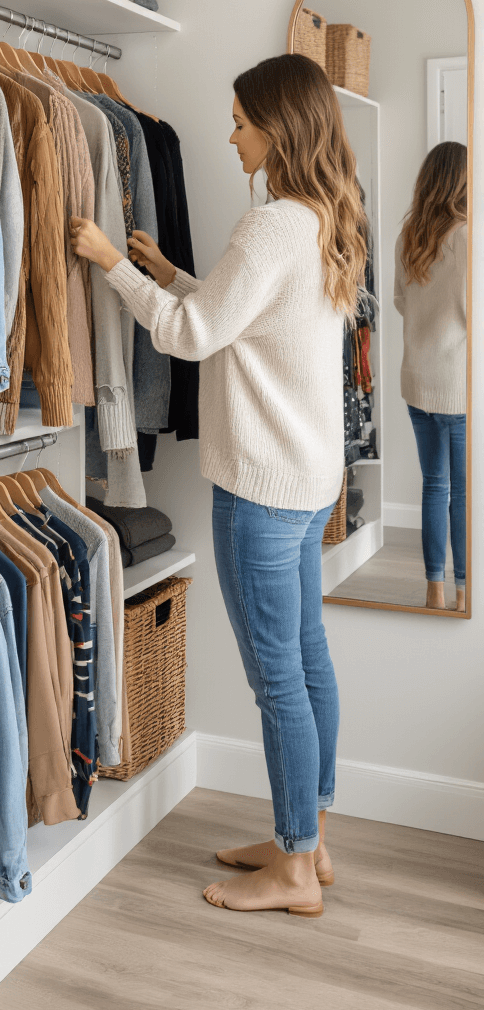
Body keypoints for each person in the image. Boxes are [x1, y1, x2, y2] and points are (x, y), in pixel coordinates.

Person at [70, 53, 367, 918]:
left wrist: (111, 263)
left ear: (278, 128)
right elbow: (247, 317)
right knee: (307, 661)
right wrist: (168, 274)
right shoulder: (325, 218)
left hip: (263, 492)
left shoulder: (270, 225)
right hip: (308, 483)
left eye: (240, 122)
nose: (230, 137)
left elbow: (193, 337)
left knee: (278, 680)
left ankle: (294, 870)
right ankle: (306, 837)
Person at [394, 142, 467, 613]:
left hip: (417, 382)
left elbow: (401, 302)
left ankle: (433, 589)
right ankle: (465, 593)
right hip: (457, 387)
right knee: (463, 493)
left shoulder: (409, 236)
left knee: (434, 486)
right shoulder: (467, 237)